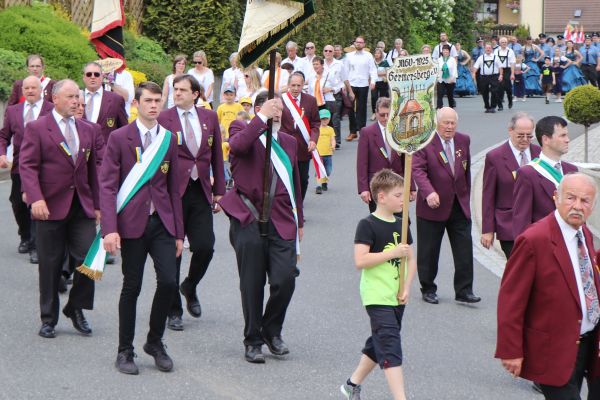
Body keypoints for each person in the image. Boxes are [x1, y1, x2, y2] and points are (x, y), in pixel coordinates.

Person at [100, 81, 184, 375]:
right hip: (131, 224)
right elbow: (108, 186)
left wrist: (179, 232)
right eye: (148, 100)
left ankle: (155, 342)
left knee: (169, 282)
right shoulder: (119, 137)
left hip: (162, 222)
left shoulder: (169, 139)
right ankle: (125, 350)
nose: (154, 105)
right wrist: (109, 229)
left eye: (158, 100)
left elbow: (174, 189)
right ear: (136, 104)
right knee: (131, 287)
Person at [496, 173, 600, 400]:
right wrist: (510, 350)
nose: (577, 206)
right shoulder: (534, 239)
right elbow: (511, 300)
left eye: (585, 201)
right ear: (556, 197)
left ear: (593, 206)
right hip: (553, 348)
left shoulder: (585, 234)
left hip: (588, 344)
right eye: (571, 198)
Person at [219, 92, 303, 364]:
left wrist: (300, 220)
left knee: (285, 279)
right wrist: (261, 117)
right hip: (249, 217)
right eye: (271, 107)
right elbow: (238, 147)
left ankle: (271, 330)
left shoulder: (289, 142)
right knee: (252, 283)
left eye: (279, 108)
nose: (277, 112)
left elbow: (295, 183)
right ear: (258, 109)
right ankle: (253, 339)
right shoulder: (242, 129)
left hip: (282, 219)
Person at [19, 79, 104, 339]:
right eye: (70, 97)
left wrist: (98, 205)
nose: (76, 101)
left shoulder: (88, 129)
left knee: (89, 262)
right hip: (49, 206)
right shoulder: (37, 128)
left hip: (81, 206)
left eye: (77, 96)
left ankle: (75, 307)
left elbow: (94, 171)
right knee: (50, 264)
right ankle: (48, 318)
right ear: (55, 99)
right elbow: (28, 165)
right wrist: (36, 198)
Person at [340, 169, 417, 400]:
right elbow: (360, 260)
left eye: (404, 195)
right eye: (398, 195)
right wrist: (392, 253)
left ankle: (352, 384)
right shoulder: (367, 225)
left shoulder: (402, 224)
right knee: (390, 345)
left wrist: (407, 286)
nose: (403, 200)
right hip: (376, 295)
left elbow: (411, 259)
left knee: (379, 341)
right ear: (381, 197)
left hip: (397, 295)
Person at [157, 75, 225, 331]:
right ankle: (173, 310)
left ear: (195, 94)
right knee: (172, 252)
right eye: (175, 89)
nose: (177, 93)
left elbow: (217, 156)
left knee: (205, 246)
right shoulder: (164, 118)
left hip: (200, 190)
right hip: (172, 192)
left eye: (183, 90)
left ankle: (190, 285)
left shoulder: (210, 117)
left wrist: (219, 191)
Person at [412, 107, 480, 305]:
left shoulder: (463, 140)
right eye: (446, 123)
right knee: (429, 251)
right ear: (436, 123)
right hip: (433, 206)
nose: (450, 127)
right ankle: (428, 288)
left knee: (464, 250)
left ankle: (464, 290)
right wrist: (428, 192)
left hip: (458, 205)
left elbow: (465, 171)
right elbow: (418, 170)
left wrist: (466, 196)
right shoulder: (425, 141)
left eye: (453, 123)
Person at [0, 76, 54, 264]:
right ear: (22, 90)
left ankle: (36, 246)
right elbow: (4, 136)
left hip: (44, 167)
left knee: (36, 203)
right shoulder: (13, 111)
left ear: (41, 90)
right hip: (19, 166)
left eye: (33, 87)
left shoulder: (51, 109)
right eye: (27, 88)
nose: (30, 91)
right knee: (17, 203)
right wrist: (2, 153)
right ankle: (25, 236)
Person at [481, 113, 541, 258]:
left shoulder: (540, 154)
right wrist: (488, 229)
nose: (525, 140)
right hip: (509, 225)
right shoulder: (495, 157)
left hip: (537, 224)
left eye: (529, 136)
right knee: (518, 266)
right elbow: (488, 195)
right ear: (510, 130)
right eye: (520, 135)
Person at [512, 116, 578, 238]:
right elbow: (521, 221)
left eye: (567, 135)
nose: (568, 140)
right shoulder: (528, 173)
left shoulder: (572, 170)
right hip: (544, 243)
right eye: (562, 136)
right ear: (546, 139)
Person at [357, 97, 413, 214]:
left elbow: (407, 161)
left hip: (398, 186)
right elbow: (362, 163)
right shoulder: (367, 132)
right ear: (376, 113)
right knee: (380, 221)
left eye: (389, 114)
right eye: (382, 115)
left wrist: (411, 187)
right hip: (377, 187)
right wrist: (363, 189)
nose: (386, 118)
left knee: (401, 221)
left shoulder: (401, 131)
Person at [281, 72, 320, 200]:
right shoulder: (281, 100)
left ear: (303, 85)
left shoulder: (311, 100)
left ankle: (299, 205)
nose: (296, 88)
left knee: (303, 179)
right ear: (288, 85)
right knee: (286, 178)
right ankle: (288, 206)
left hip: (303, 147)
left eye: (298, 85)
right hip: (285, 147)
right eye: (293, 85)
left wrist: (313, 140)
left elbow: (315, 123)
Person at [82, 62, 128, 147]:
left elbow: (124, 129)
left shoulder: (116, 100)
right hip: (81, 150)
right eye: (89, 74)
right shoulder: (76, 97)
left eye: (96, 74)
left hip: (106, 150)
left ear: (102, 76)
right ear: (84, 77)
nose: (92, 77)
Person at [344, 36, 377, 142]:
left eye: (361, 42)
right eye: (357, 42)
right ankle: (353, 131)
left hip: (363, 84)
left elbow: (373, 70)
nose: (358, 44)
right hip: (351, 84)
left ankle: (362, 131)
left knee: (361, 108)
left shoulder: (368, 56)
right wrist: (344, 85)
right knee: (350, 108)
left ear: (364, 44)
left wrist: (373, 81)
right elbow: (345, 71)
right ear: (354, 43)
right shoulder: (348, 56)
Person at [323, 44, 345, 148]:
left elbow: (343, 81)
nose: (328, 52)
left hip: (335, 94)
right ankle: (325, 139)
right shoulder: (320, 63)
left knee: (335, 118)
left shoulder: (339, 64)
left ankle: (336, 141)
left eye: (330, 51)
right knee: (324, 117)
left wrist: (332, 89)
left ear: (333, 53)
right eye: (326, 51)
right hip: (322, 95)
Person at [472, 43, 503, 113]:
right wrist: (473, 73)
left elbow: (500, 67)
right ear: (484, 49)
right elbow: (476, 66)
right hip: (484, 77)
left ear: (491, 49)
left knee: (494, 91)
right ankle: (487, 107)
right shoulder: (481, 57)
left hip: (494, 76)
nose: (488, 49)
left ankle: (493, 107)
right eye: (487, 48)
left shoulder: (496, 57)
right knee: (484, 92)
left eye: (489, 48)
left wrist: (501, 75)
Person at [315, 109, 335, 194]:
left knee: (328, 170)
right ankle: (318, 186)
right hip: (318, 154)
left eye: (326, 119)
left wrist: (333, 145)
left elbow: (332, 139)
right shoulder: (317, 129)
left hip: (328, 154)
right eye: (322, 119)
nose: (324, 120)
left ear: (329, 119)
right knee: (319, 170)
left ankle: (324, 182)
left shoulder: (330, 129)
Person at [494, 37, 516, 110]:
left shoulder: (510, 51)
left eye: (505, 42)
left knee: (508, 88)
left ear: (507, 43)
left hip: (507, 70)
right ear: (499, 43)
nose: (504, 43)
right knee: (499, 88)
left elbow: (512, 63)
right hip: (498, 70)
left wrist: (512, 73)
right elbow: (494, 62)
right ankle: (500, 105)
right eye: (502, 42)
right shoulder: (496, 51)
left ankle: (510, 100)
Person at [436, 45, 458, 109]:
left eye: (447, 50)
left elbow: (454, 69)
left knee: (450, 95)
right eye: (444, 50)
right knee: (440, 94)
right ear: (442, 51)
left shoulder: (452, 60)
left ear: (449, 51)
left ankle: (451, 107)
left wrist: (453, 78)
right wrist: (437, 78)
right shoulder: (439, 60)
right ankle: (439, 107)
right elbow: (437, 69)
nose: (445, 51)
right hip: (441, 79)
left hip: (450, 79)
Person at [371, 48, 390, 118]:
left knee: (382, 98)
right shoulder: (372, 62)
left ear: (381, 54)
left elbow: (388, 72)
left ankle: (383, 112)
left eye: (378, 53)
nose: (376, 54)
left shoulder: (385, 62)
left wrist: (378, 74)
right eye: (375, 53)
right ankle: (374, 113)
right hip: (374, 82)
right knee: (374, 97)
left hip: (383, 82)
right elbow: (369, 72)